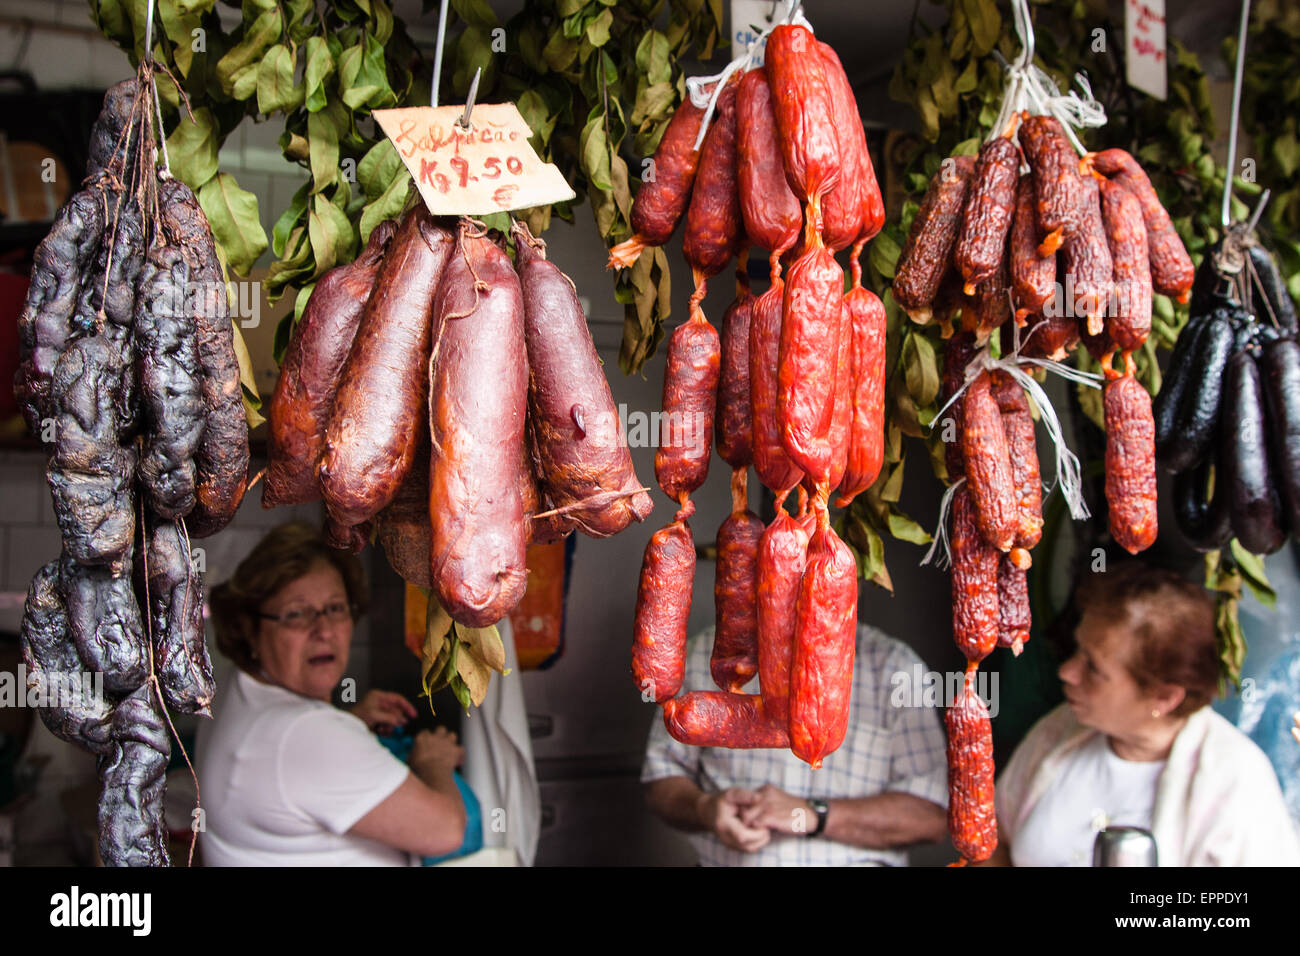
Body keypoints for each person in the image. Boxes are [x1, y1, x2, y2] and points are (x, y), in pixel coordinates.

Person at [990, 562, 1300, 867]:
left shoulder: (1236, 779)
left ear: (1164, 697)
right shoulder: (1062, 728)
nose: (1067, 672)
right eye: (1077, 652)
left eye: (1094, 668)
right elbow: (991, 840)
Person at [197, 522, 466, 866]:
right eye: (296, 613)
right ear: (250, 627)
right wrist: (434, 762)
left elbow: (290, 764)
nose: (323, 631)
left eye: (336, 608)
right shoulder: (306, 735)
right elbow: (445, 831)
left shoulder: (233, 693)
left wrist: (347, 724)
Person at [641, 623, 949, 865]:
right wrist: (704, 807)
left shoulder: (896, 668)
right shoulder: (702, 655)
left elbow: (930, 817)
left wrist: (811, 815)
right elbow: (661, 780)